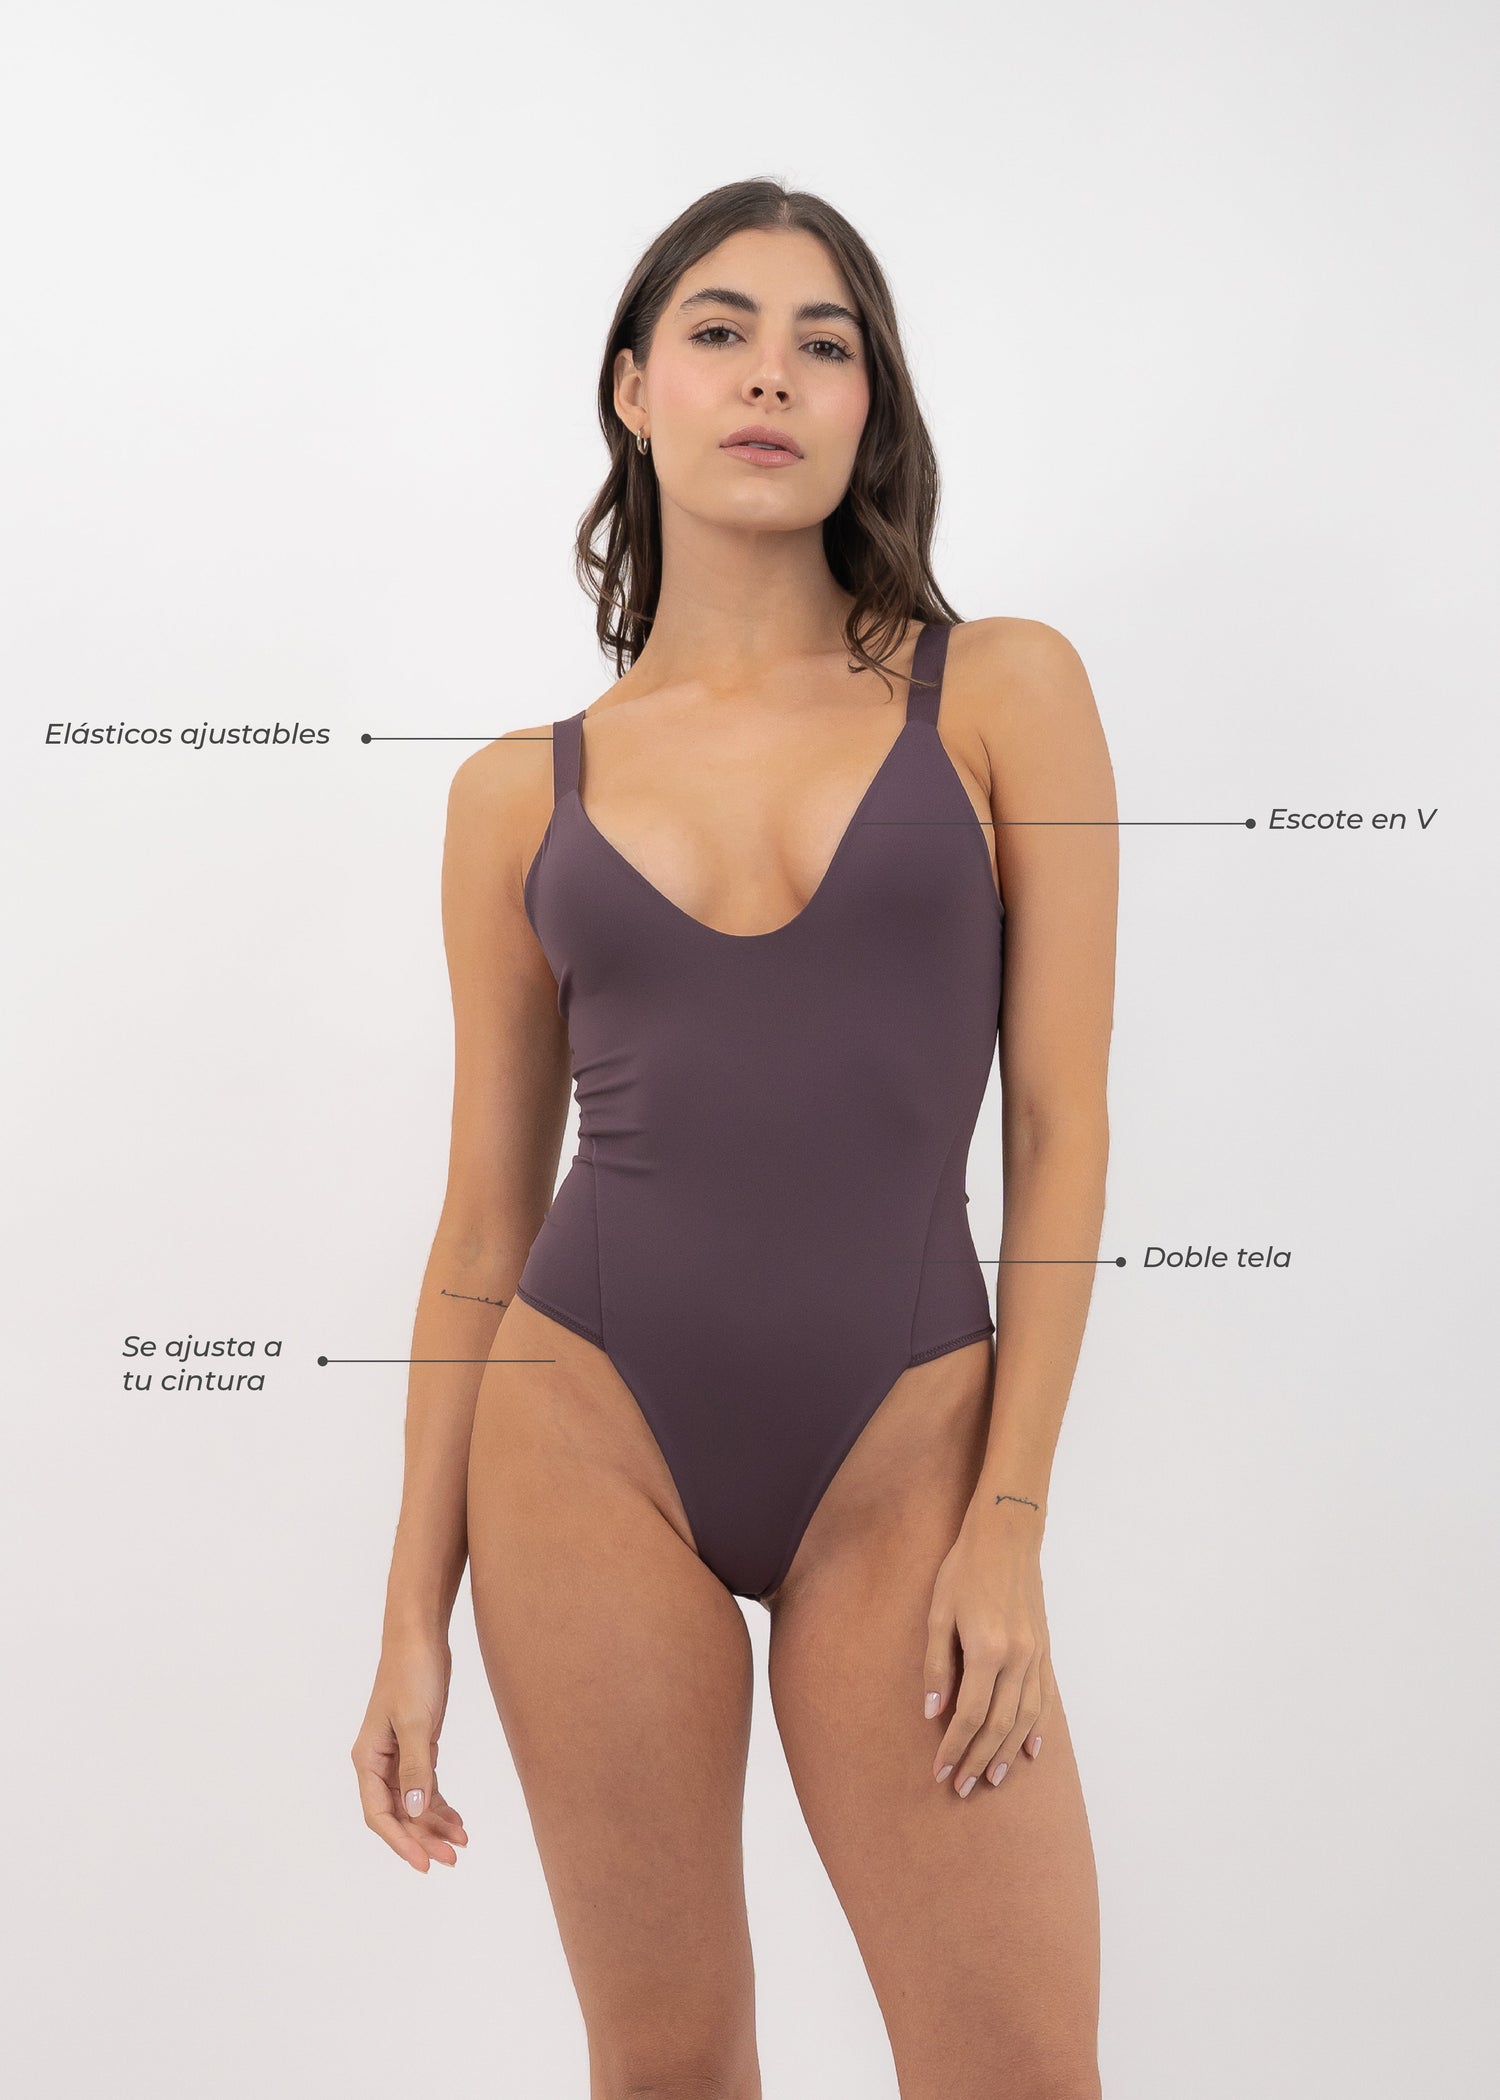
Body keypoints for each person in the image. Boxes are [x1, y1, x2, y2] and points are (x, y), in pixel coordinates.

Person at [352, 176, 1116, 2100]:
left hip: (909, 1447)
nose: (771, 374)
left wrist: (1010, 1524)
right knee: (669, 2067)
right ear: (634, 389)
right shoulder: (516, 795)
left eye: (822, 342)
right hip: (583, 1435)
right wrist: (411, 1618)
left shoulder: (1002, 692)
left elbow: (1063, 1126)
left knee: (1020, 2070)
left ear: (870, 407)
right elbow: (479, 1227)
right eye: (719, 330)